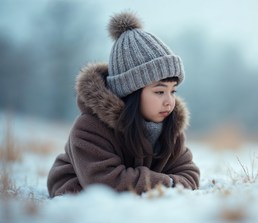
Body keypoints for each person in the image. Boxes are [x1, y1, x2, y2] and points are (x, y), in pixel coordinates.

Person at [47, 11, 200, 197]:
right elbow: (106, 182)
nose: (170, 101)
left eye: (172, 91)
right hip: (77, 194)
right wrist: (167, 182)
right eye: (160, 92)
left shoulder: (170, 127)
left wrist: (165, 182)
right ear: (131, 92)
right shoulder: (89, 128)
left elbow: (190, 174)